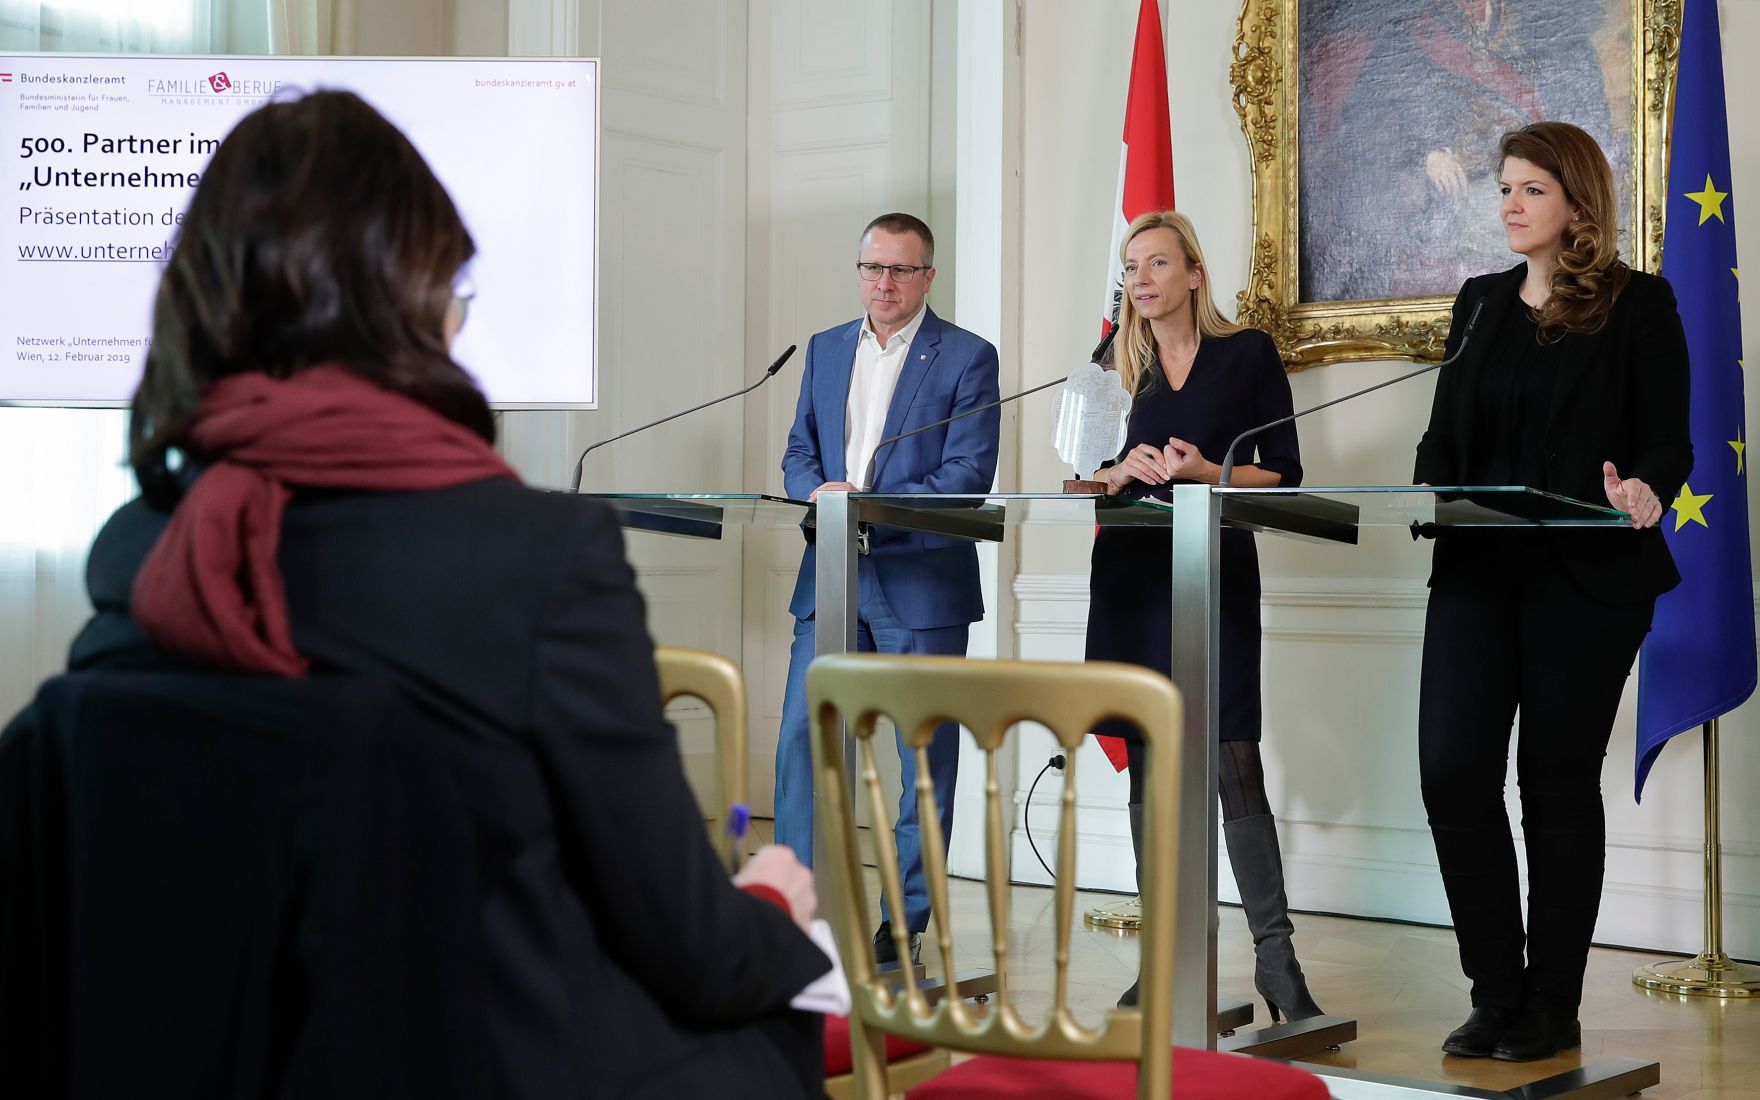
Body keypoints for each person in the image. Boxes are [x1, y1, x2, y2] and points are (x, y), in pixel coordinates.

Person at [65, 90, 833, 1098]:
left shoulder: (137, 554)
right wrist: (771, 905)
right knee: (775, 1021)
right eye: (451, 290)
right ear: (410, 304)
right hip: (480, 1060)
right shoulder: (533, 557)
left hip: (206, 1054)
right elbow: (690, 945)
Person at [1413, 121, 1691, 1062]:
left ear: (1578, 200)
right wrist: (1430, 483)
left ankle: (1551, 1004)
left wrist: (1644, 488)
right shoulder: (1480, 303)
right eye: (1504, 188)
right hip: (1477, 572)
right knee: (1452, 772)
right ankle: (1496, 992)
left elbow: (1669, 439)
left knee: (1555, 783)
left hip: (1587, 578)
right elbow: (1443, 436)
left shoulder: (1638, 303)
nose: (1510, 204)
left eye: (1531, 188)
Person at [1085, 211, 1322, 1022]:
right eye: (1131, 268)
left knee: (1231, 756)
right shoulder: (1115, 366)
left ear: (1193, 273)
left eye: (1157, 263)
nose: (1141, 280)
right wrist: (1120, 469)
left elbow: (1285, 473)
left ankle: (1277, 965)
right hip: (1132, 576)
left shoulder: (1246, 352)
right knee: (1149, 758)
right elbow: (1084, 473)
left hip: (1214, 570)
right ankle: (1164, 962)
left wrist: (1208, 470)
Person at [775, 213, 1001, 966]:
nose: (884, 283)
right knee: (803, 742)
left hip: (920, 580)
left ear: (928, 277)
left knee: (922, 763)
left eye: (902, 270)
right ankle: (800, 911)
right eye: (873, 267)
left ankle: (903, 925)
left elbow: (967, 475)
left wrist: (866, 504)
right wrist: (818, 491)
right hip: (831, 577)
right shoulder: (825, 348)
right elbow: (799, 453)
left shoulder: (967, 356)